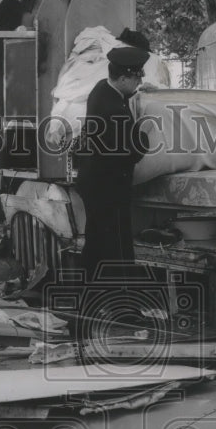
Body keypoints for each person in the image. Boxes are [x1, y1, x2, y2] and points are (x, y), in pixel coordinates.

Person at [74, 45, 150, 282]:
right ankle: (117, 299)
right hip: (109, 186)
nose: (138, 84)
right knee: (115, 246)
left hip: (95, 181)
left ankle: (89, 295)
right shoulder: (113, 108)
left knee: (97, 241)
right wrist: (145, 134)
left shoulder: (102, 90)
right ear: (125, 77)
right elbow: (134, 151)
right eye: (136, 78)